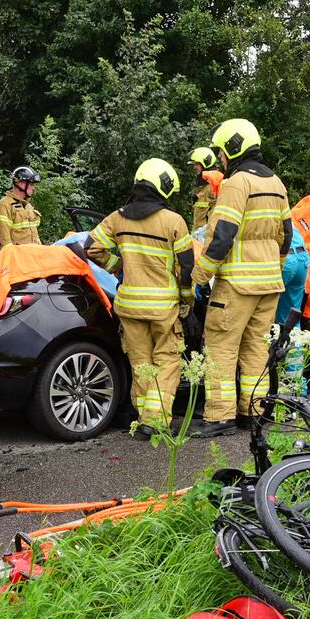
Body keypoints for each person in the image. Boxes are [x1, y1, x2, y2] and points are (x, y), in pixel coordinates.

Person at [191, 119, 292, 436]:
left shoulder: (236, 184)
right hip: (269, 284)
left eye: (221, 153)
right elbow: (286, 235)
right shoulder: (276, 183)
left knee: (220, 348)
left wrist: (199, 275)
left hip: (236, 285)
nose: (221, 160)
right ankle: (253, 412)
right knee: (255, 350)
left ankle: (219, 417)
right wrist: (272, 264)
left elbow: (222, 235)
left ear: (233, 149)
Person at [85, 158, 195, 438]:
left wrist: (118, 266)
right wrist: (187, 301)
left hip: (130, 305)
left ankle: (143, 415)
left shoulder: (117, 218)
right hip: (163, 308)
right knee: (167, 363)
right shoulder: (173, 221)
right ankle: (155, 422)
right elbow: (186, 267)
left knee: (141, 363)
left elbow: (91, 247)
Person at [0, 166, 42, 246]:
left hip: (34, 254)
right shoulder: (4, 205)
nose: (33, 188)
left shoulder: (28, 205)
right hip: (18, 256)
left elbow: (34, 235)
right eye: (31, 184)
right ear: (21, 184)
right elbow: (5, 241)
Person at [187, 147, 224, 231]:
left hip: (206, 239)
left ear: (205, 163)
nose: (194, 167)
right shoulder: (206, 185)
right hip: (201, 238)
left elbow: (215, 218)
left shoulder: (213, 186)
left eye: (197, 164)